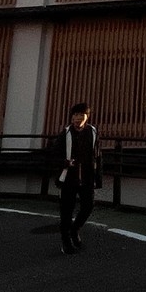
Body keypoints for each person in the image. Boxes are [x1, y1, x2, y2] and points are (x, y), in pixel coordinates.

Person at [54, 102, 101, 253]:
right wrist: (65, 162)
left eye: (81, 115)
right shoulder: (65, 133)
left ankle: (75, 229)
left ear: (87, 117)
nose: (78, 118)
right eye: (75, 115)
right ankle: (66, 241)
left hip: (87, 176)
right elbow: (53, 154)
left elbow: (98, 156)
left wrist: (97, 178)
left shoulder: (93, 132)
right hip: (69, 177)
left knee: (88, 206)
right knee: (66, 210)